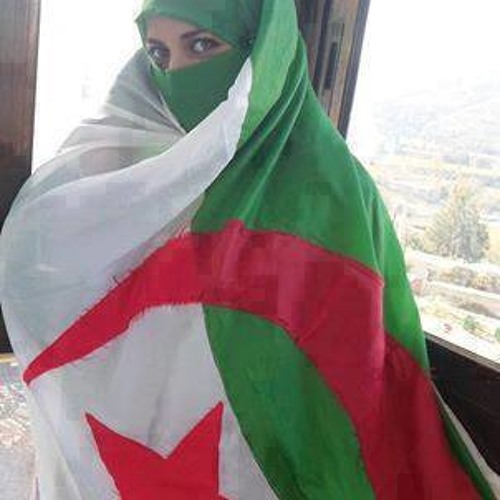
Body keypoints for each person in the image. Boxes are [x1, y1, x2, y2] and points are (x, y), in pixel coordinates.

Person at [0, 0, 497, 498]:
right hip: (159, 436)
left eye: (202, 45)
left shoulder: (329, 189)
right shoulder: (162, 166)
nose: (177, 75)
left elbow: (345, 384)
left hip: (267, 452)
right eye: (159, 54)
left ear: (264, 51)